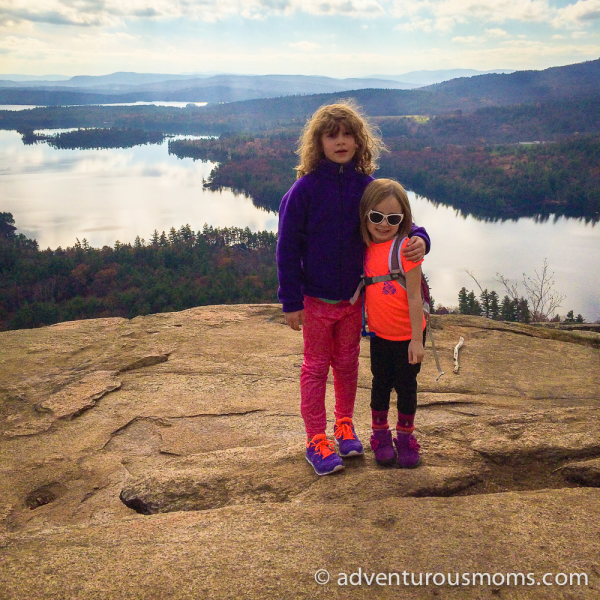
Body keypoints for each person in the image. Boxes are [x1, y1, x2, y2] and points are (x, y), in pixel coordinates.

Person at [276, 101, 430, 476]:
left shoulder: (367, 187)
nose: (341, 141)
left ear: (359, 141)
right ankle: (316, 438)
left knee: (346, 365)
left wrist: (422, 239)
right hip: (314, 300)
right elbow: (287, 245)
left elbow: (400, 220)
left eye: (347, 134)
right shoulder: (305, 189)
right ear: (319, 142)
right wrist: (291, 300)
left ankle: (344, 425)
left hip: (353, 301)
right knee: (315, 369)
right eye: (332, 135)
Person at [359, 178, 426, 468]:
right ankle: (380, 436)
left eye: (393, 218)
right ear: (365, 216)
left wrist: (416, 339)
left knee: (407, 387)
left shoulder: (406, 249)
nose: (384, 224)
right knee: (380, 385)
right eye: (376, 217)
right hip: (380, 335)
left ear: (404, 219)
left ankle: (406, 437)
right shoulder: (362, 247)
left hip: (407, 336)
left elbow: (414, 296)